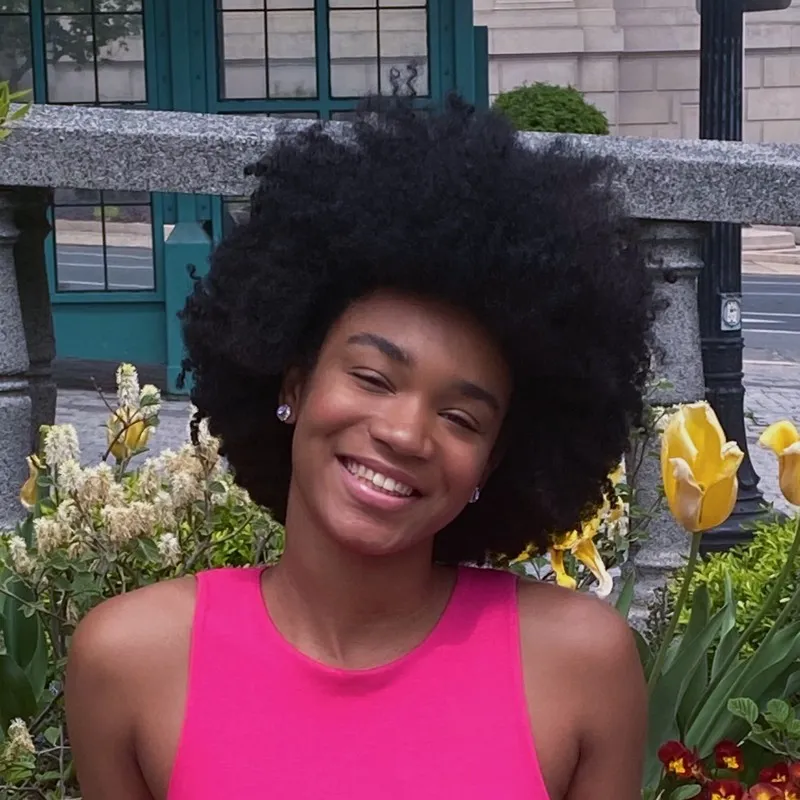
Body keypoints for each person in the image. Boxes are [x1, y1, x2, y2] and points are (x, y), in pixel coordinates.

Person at [65, 94, 650, 799]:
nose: (405, 433)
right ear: (293, 384)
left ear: (491, 465)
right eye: (373, 377)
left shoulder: (579, 663)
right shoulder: (131, 659)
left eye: (461, 418)